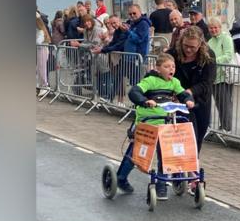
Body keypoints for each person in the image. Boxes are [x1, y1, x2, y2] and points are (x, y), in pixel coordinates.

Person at [116, 53, 195, 201]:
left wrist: (188, 100)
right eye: (166, 66)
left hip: (165, 124)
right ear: (158, 68)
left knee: (165, 154)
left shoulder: (174, 82)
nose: (170, 69)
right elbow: (134, 92)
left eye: (173, 66)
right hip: (147, 123)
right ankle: (121, 178)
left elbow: (183, 94)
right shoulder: (150, 80)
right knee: (135, 154)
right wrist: (145, 101)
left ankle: (161, 184)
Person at [167, 25, 216, 195]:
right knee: (186, 137)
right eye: (186, 46)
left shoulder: (208, 56)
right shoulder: (173, 53)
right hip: (179, 102)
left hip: (200, 100)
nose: (189, 50)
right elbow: (164, 73)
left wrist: (190, 92)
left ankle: (190, 168)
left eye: (193, 47)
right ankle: (190, 175)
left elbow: (207, 81)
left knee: (198, 137)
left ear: (200, 45)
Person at [92, 15, 129, 105]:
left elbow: (118, 45)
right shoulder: (117, 31)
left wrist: (102, 49)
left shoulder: (124, 30)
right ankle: (111, 98)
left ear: (119, 21)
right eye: (111, 23)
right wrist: (102, 48)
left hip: (124, 57)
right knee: (116, 79)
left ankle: (119, 100)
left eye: (114, 23)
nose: (113, 25)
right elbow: (113, 43)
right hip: (115, 58)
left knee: (122, 80)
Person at [207, 17, 235, 133]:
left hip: (224, 75)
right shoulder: (210, 41)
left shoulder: (226, 38)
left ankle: (226, 128)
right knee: (219, 103)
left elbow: (228, 56)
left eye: (215, 27)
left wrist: (213, 61)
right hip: (214, 76)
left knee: (225, 103)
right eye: (211, 28)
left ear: (220, 27)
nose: (213, 30)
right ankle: (223, 125)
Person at [122, 4, 152, 86]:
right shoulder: (132, 23)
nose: (132, 15)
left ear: (140, 12)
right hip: (130, 58)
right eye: (130, 14)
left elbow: (139, 39)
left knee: (138, 82)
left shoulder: (143, 24)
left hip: (138, 58)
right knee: (133, 82)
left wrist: (128, 31)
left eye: (134, 13)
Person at [36, 12, 51, 97]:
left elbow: (39, 41)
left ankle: (44, 86)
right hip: (40, 48)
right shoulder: (40, 29)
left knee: (42, 68)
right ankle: (41, 85)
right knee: (39, 68)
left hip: (42, 48)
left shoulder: (41, 30)